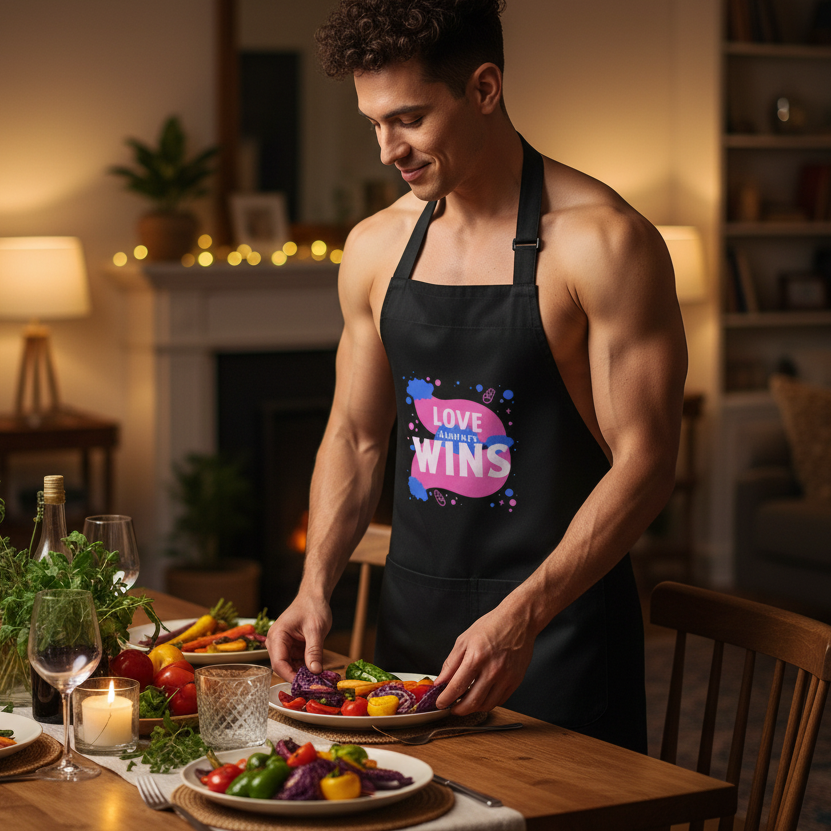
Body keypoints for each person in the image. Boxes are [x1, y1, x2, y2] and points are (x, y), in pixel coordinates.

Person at [266, 0, 687, 753]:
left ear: (484, 89)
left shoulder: (603, 242)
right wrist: (313, 586)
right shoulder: (375, 246)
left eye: (409, 119)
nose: (387, 149)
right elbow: (356, 437)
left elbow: (647, 465)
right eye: (373, 124)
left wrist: (522, 617)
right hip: (407, 637)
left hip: (558, 633)